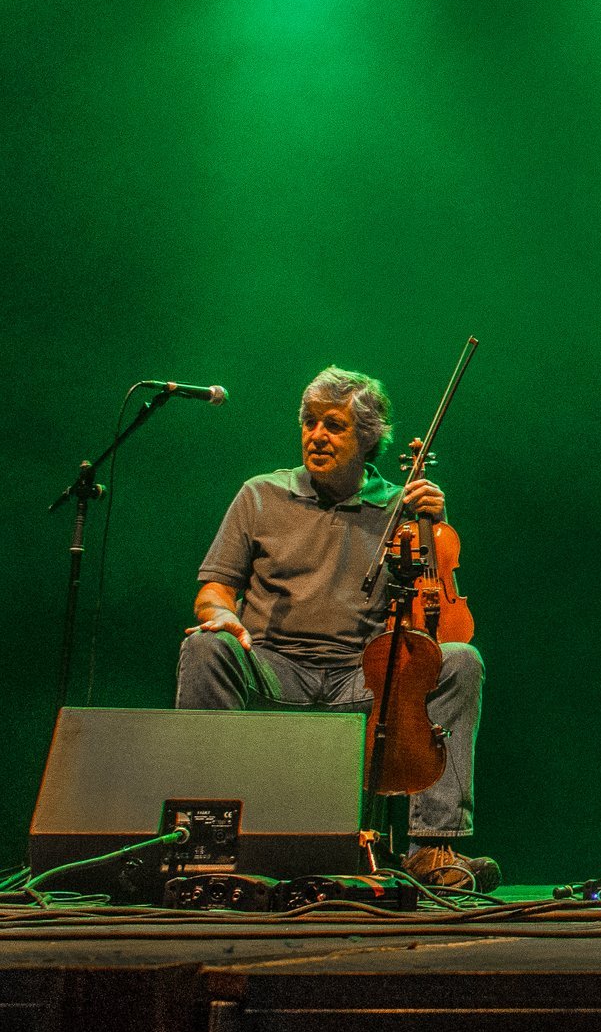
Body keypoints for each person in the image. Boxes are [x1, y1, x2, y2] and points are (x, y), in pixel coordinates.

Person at [175, 366, 495, 890]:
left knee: (460, 658)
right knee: (207, 649)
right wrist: (221, 615)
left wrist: (431, 526)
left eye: (334, 425)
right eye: (309, 422)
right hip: (274, 667)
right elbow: (214, 590)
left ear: (366, 438)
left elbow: (436, 618)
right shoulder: (259, 494)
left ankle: (432, 848)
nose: (316, 435)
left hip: (362, 677)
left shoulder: (399, 507)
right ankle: (206, 842)